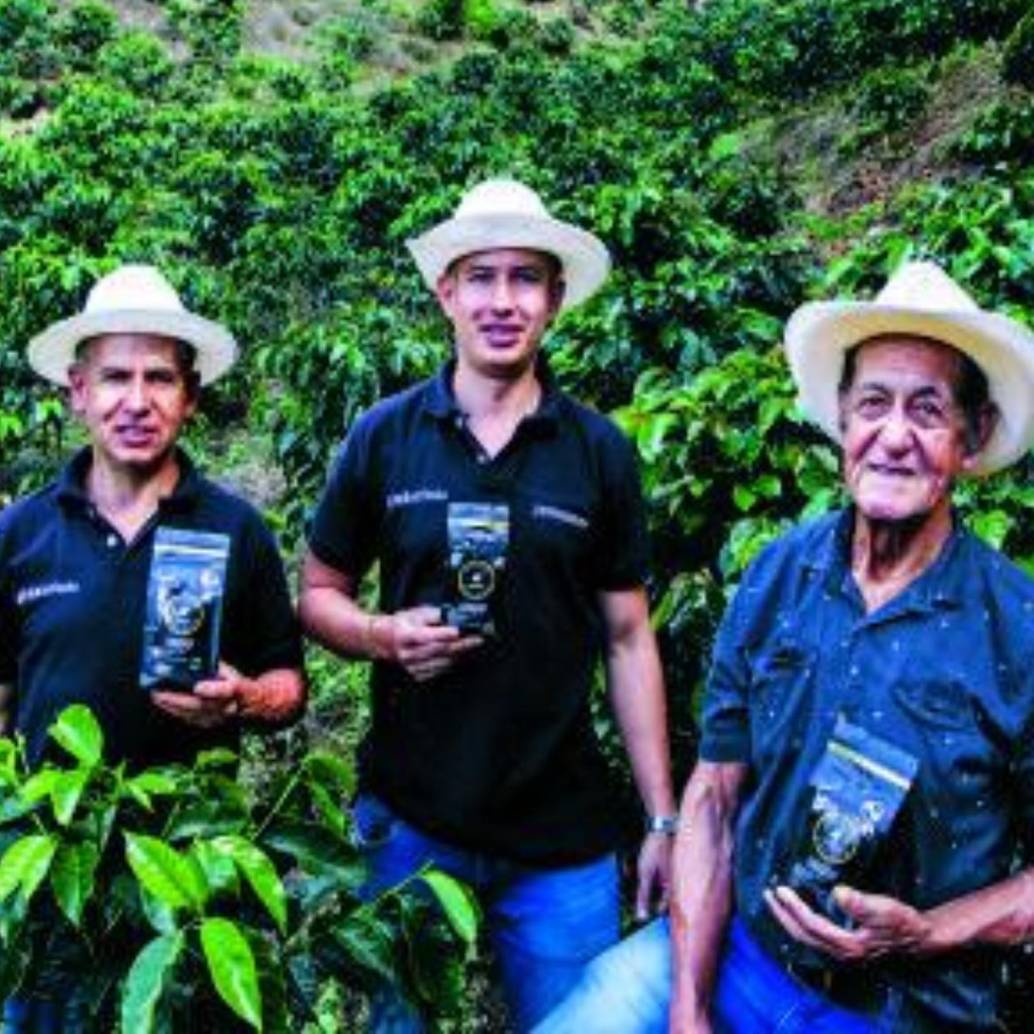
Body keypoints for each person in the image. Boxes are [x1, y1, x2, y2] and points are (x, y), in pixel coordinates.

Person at [532, 260, 1034, 1034]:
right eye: (874, 403)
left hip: (905, 1008)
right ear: (841, 419)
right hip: (739, 952)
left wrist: (932, 930)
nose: (894, 436)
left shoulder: (1017, 625)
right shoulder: (780, 573)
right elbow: (715, 794)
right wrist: (690, 1008)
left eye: (928, 411)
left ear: (971, 439)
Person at [298, 178, 676, 1032]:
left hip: (561, 840)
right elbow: (319, 592)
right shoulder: (384, 437)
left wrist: (662, 816)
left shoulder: (599, 451)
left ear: (554, 299)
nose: (502, 301)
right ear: (447, 293)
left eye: (525, 279)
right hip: (409, 821)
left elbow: (627, 638)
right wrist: (380, 636)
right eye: (482, 277)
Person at [0, 264, 306, 1029]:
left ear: (190, 398)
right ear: (76, 391)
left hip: (192, 885)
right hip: (53, 887)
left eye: (159, 379)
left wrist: (246, 698)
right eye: (114, 378)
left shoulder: (236, 530)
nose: (136, 401)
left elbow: (288, 685)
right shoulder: (22, 534)